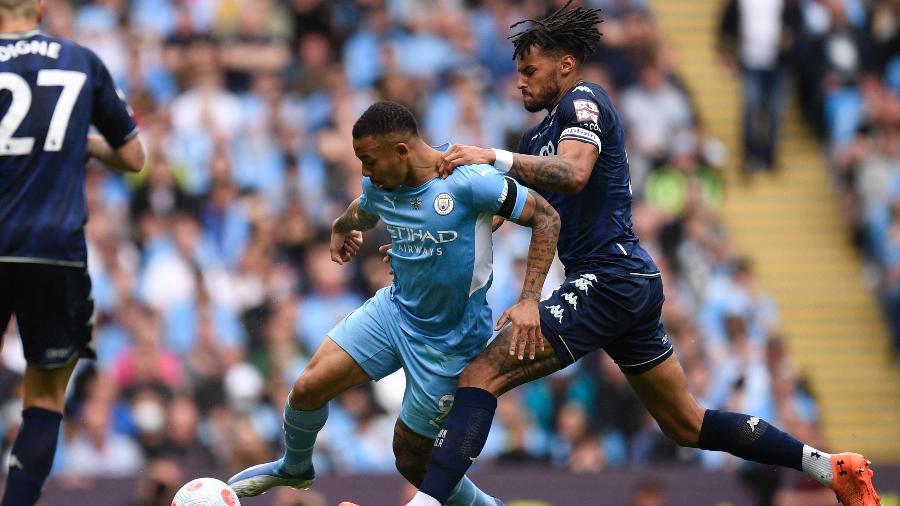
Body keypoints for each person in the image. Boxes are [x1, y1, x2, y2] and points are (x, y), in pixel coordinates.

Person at [404, 3, 881, 506]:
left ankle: (425, 505)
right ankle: (829, 467)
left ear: (565, 65)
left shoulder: (585, 100)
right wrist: (427, 240)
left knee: (482, 372)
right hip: (622, 286)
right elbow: (500, 211)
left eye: (529, 71)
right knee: (685, 423)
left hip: (609, 278)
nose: (518, 83)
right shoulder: (534, 138)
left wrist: (490, 155)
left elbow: (575, 172)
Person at [226, 101, 560, 506]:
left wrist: (528, 300)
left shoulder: (470, 181)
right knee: (308, 386)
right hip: (393, 313)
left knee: (410, 458)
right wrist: (340, 227)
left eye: (369, 160)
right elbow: (361, 211)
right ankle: (295, 467)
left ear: (402, 151)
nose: (365, 172)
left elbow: (546, 218)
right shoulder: (379, 186)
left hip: (448, 343)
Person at [0, 0, 146, 504]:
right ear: (39, 7)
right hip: (55, 252)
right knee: (43, 399)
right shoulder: (80, 60)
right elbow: (133, 156)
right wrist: (85, 143)